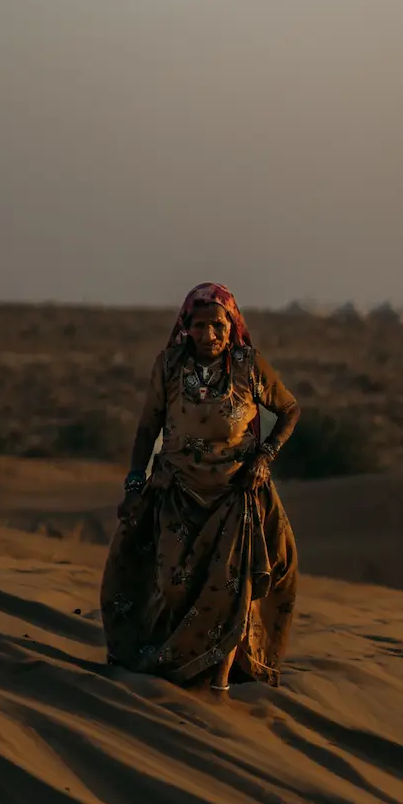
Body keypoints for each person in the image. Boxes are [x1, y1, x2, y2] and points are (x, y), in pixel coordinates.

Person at [101, 282, 300, 693]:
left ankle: (220, 683)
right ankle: (175, 666)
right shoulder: (169, 366)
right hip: (177, 490)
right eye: (200, 325)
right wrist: (134, 482)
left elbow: (289, 410)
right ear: (186, 327)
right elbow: (146, 429)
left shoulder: (249, 365)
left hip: (235, 494)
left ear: (232, 325)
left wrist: (264, 457)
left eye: (217, 324)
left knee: (231, 589)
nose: (209, 334)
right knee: (173, 584)